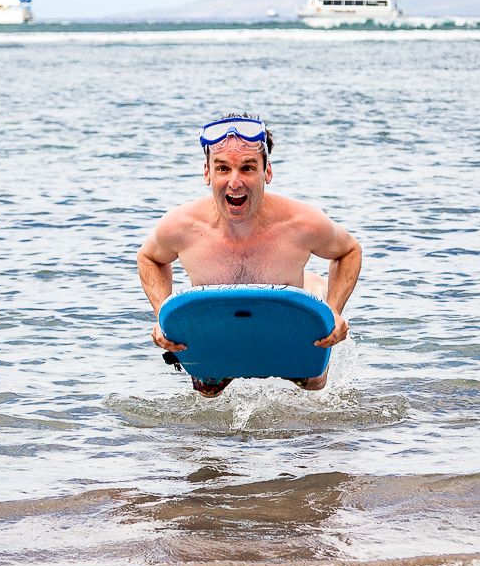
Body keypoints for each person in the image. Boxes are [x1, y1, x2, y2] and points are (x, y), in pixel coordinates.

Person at [136, 113, 362, 397]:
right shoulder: (181, 226)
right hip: (218, 340)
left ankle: (311, 285)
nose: (234, 182)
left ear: (267, 171)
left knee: (314, 382)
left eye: (247, 168)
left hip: (286, 336)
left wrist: (334, 311)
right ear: (207, 173)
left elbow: (349, 250)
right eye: (222, 169)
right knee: (208, 392)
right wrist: (163, 317)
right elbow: (149, 258)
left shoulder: (302, 223)